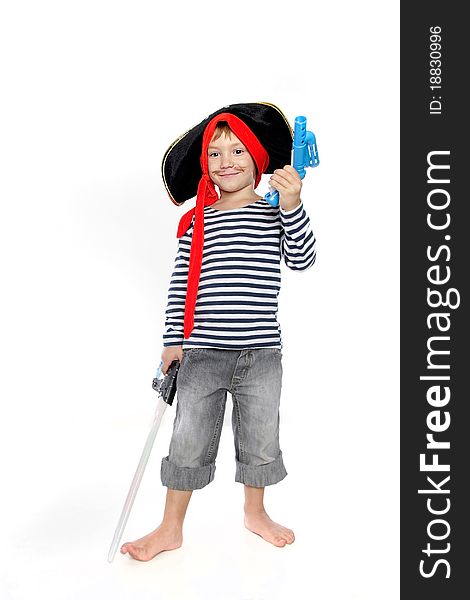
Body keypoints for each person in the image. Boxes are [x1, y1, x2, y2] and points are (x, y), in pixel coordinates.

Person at [121, 103, 316, 561]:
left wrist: (293, 205)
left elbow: (303, 259)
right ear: (205, 165)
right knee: (187, 439)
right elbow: (180, 285)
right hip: (203, 353)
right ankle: (171, 527)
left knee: (261, 438)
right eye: (214, 152)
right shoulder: (198, 220)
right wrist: (173, 341)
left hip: (261, 353)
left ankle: (256, 512)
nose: (225, 160)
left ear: (258, 159)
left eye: (237, 150)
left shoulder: (272, 213)